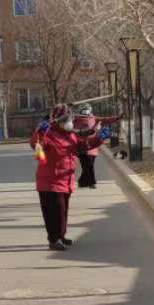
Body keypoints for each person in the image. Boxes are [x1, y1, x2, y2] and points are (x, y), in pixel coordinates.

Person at [33, 104, 104, 250]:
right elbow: (36, 145)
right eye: (66, 120)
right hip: (50, 182)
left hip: (65, 180)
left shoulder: (69, 134)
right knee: (54, 212)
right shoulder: (48, 133)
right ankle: (54, 239)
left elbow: (81, 146)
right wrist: (39, 133)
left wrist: (99, 139)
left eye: (70, 119)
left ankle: (61, 236)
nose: (70, 122)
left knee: (63, 211)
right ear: (58, 121)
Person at [72, 105, 101, 189]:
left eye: (87, 110)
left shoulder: (94, 119)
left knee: (88, 166)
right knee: (88, 165)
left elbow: (98, 128)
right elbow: (75, 132)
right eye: (84, 110)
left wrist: (98, 125)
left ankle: (82, 182)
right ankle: (92, 182)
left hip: (92, 146)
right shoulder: (76, 120)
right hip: (82, 147)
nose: (86, 112)